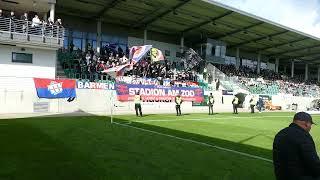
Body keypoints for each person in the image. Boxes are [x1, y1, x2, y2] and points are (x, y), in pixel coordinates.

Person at [273, 112, 320, 180]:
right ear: (306, 123)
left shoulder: (280, 133)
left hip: (281, 176)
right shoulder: (303, 136)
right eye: (311, 124)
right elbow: (313, 163)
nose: (310, 127)